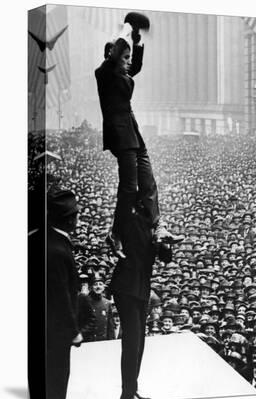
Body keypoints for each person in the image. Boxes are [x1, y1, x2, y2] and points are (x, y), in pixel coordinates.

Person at [94, 28, 181, 258]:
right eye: (125, 57)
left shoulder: (122, 74)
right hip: (122, 138)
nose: (128, 62)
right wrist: (126, 33)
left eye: (129, 57)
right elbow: (116, 60)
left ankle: (158, 227)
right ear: (112, 56)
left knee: (149, 181)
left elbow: (136, 66)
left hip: (133, 134)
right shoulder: (103, 74)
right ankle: (115, 234)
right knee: (129, 189)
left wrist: (137, 41)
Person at [109, 203, 160, 399]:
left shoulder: (152, 225)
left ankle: (132, 386)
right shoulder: (132, 220)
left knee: (139, 342)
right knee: (132, 341)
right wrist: (156, 234)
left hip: (141, 289)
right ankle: (127, 394)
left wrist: (163, 241)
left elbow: (166, 256)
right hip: (127, 288)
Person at [45, 188, 83, 399]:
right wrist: (73, 331)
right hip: (56, 331)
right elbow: (61, 296)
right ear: (69, 221)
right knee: (57, 383)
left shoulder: (52, 239)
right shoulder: (57, 250)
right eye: (76, 215)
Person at [87, 274, 115, 341]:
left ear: (104, 287)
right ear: (91, 287)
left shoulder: (107, 303)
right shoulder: (85, 302)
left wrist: (111, 342)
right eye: (95, 284)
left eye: (100, 284)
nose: (98, 287)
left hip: (103, 342)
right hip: (88, 341)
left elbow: (110, 327)